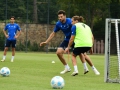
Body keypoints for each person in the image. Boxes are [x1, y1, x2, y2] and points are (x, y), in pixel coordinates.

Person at [40, 10, 99, 75]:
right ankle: (67, 68)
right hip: (67, 40)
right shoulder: (58, 24)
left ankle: (91, 68)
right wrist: (46, 42)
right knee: (58, 52)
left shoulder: (70, 21)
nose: (60, 18)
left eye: (61, 17)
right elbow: (53, 33)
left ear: (65, 16)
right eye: (59, 17)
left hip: (75, 40)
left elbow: (77, 29)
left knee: (83, 54)